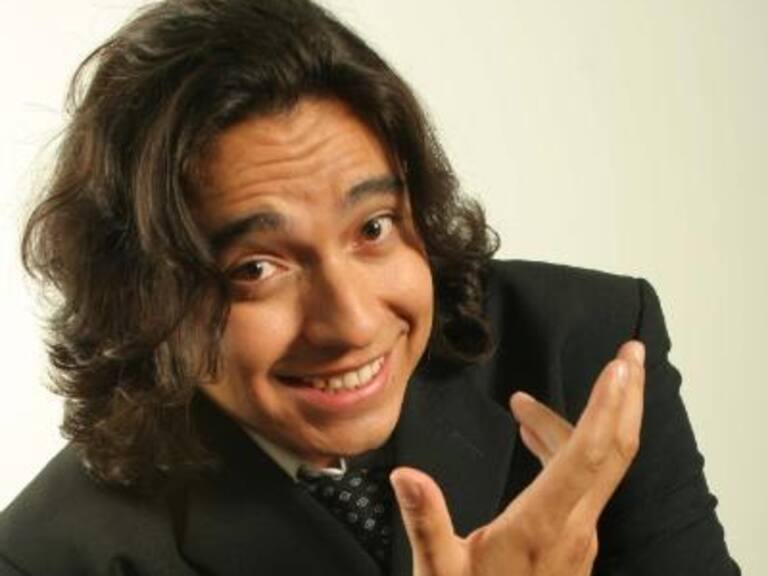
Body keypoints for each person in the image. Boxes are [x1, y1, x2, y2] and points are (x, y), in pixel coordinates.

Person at [0, 0, 739, 574]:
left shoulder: (586, 349)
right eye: (256, 269)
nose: (352, 323)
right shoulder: (50, 556)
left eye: (374, 227)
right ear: (141, 297)